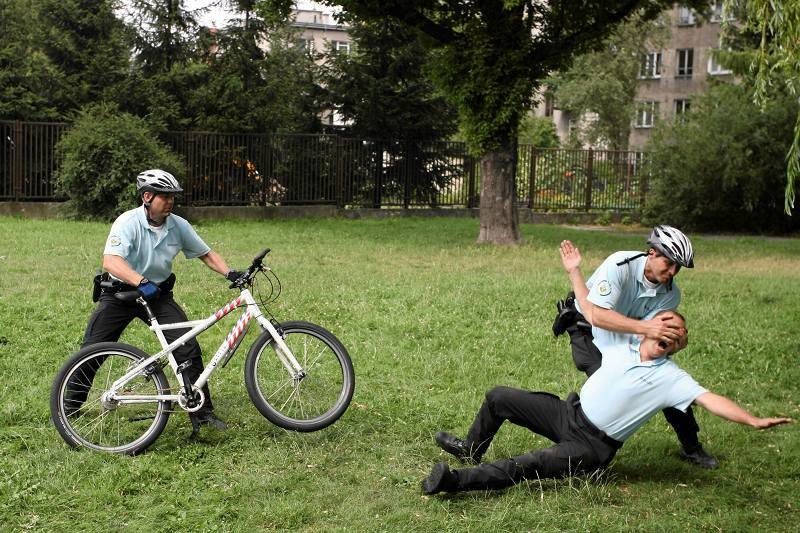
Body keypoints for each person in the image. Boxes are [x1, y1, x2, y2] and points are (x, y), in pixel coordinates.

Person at [421, 244, 791, 495]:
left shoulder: (670, 377)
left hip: (591, 445)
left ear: (678, 345)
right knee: (499, 397)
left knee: (525, 464)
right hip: (569, 414)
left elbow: (712, 400)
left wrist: (753, 420)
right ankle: (471, 449)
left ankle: (454, 482)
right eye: (663, 323)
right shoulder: (620, 342)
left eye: (674, 333)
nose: (665, 328)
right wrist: (575, 271)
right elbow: (590, 307)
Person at [73, 169, 242, 435]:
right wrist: (141, 282)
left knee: (186, 347)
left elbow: (206, 254)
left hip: (158, 296)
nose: (171, 201)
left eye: (173, 196)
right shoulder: (127, 222)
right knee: (93, 350)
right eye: (165, 196)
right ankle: (69, 405)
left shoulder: (178, 225)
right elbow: (111, 262)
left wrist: (230, 272)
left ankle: (203, 414)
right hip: (120, 294)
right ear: (148, 197)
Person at [552, 225, 717, 469]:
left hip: (626, 333)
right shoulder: (620, 264)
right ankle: (576, 441)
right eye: (669, 263)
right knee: (607, 379)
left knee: (662, 379)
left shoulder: (671, 295)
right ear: (652, 253)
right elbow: (596, 315)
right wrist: (646, 329)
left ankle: (692, 447)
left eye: (677, 267)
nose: (672, 271)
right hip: (586, 324)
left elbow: (654, 337)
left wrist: (674, 344)